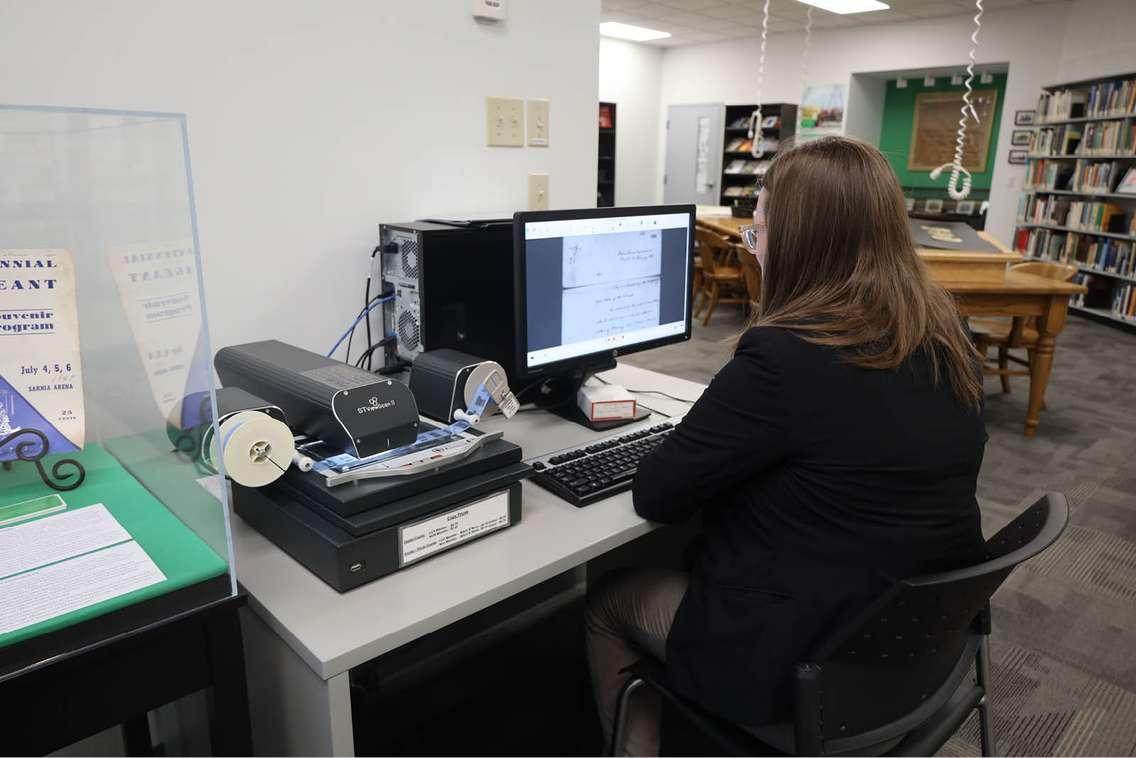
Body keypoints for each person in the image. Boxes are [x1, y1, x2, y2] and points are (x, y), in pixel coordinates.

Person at [585, 136, 988, 756]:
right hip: (914, 652)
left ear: (800, 243)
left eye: (761, 230)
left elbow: (657, 491)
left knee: (610, 596)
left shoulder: (787, 355)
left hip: (812, 673)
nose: (757, 247)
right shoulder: (945, 329)